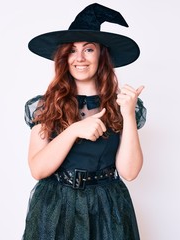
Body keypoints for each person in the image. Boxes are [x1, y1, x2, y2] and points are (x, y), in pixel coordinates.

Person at [22, 3, 147, 240]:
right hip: (56, 207)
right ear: (64, 57)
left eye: (89, 50)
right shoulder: (46, 105)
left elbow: (129, 173)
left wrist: (128, 114)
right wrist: (73, 131)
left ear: (102, 55)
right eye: (72, 50)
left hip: (108, 209)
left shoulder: (121, 105)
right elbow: (38, 169)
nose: (79, 58)